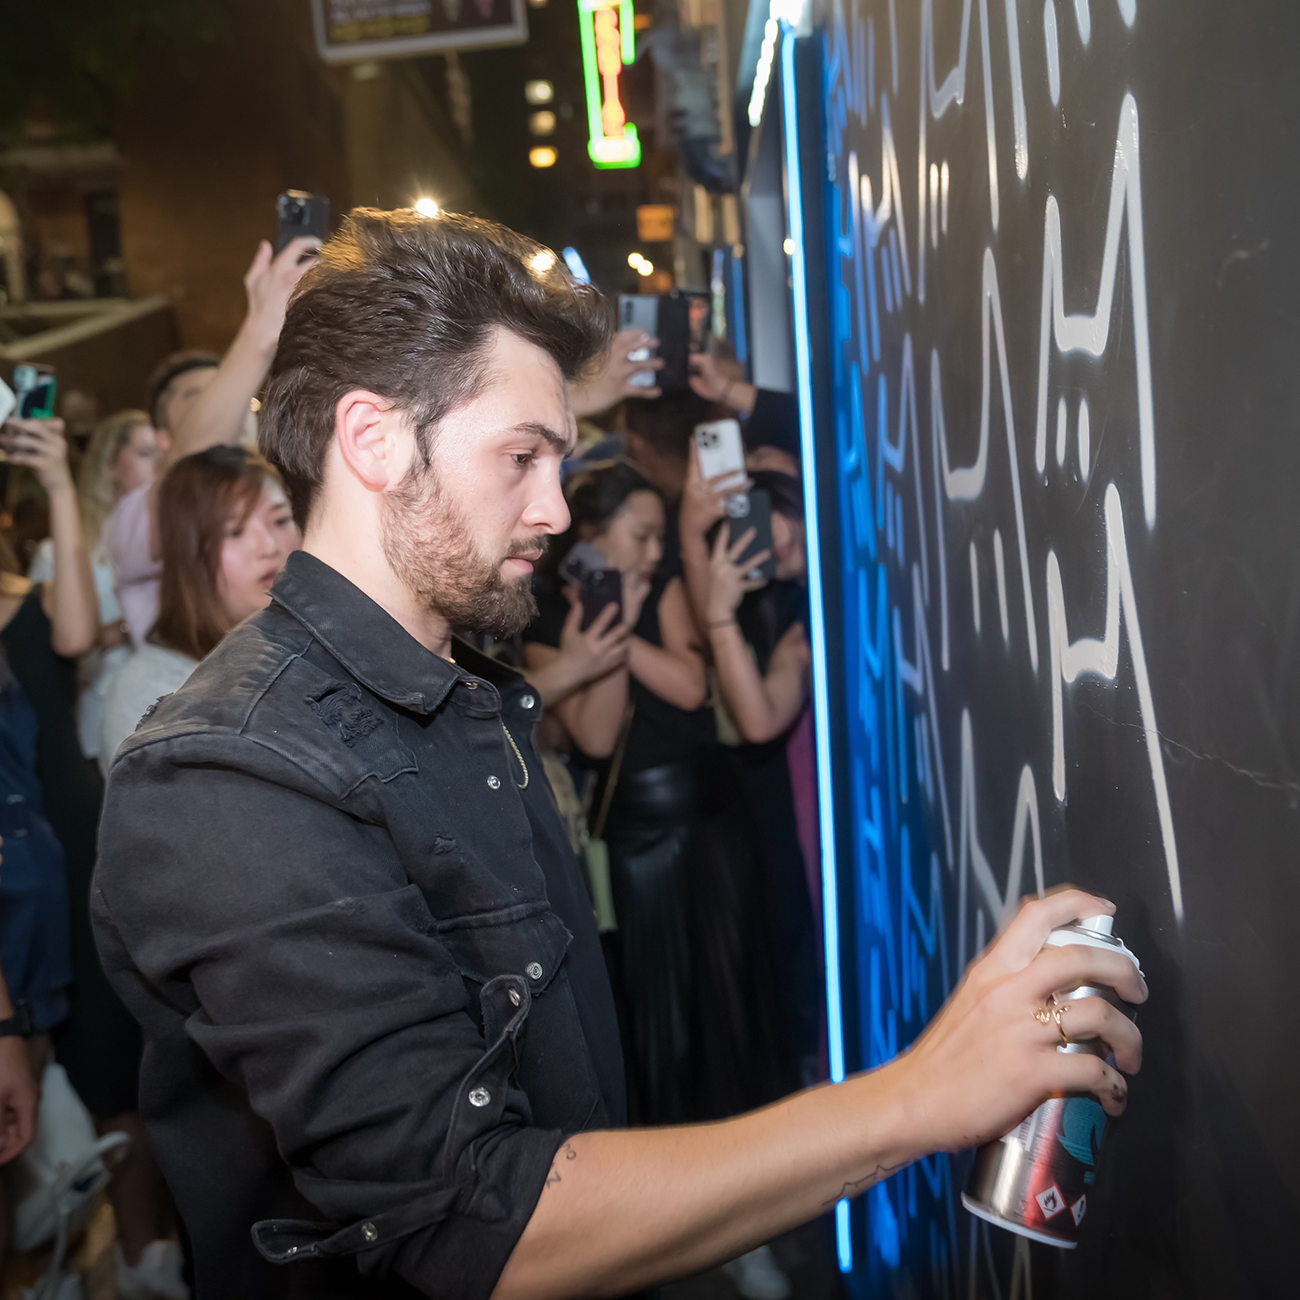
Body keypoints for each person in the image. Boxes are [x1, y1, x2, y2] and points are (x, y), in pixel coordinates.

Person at [91, 209, 1145, 1300]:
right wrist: (920, 1096)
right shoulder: (227, 775)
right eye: (520, 456)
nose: (553, 508)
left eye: (557, 457)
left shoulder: (467, 703)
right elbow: (475, 1219)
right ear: (372, 439)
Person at [524, 461, 710, 1126]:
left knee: (704, 1001)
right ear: (593, 535)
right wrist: (597, 630)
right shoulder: (542, 607)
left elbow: (693, 690)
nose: (655, 552)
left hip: (694, 820)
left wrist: (622, 628)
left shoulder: (663, 588)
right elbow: (596, 737)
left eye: (662, 538)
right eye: (642, 536)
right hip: (613, 832)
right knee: (639, 1006)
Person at [103, 233, 319, 649]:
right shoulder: (131, 519)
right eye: (199, 398)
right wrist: (260, 332)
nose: (227, 403)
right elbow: (189, 473)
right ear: (161, 436)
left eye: (274, 522)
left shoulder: (278, 488)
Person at [100, 446, 300, 769]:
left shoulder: (322, 645)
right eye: (234, 532)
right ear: (187, 556)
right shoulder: (155, 693)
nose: (269, 547)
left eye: (280, 520)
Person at [29, 407, 158, 760]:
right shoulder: (57, 554)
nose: (160, 464)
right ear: (109, 464)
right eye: (146, 453)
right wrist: (122, 627)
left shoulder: (170, 541)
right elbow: (45, 661)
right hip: (105, 721)